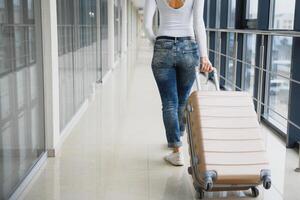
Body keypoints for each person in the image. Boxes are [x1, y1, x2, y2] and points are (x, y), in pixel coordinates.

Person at [144, 0, 213, 166]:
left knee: (169, 103)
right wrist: (204, 56)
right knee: (182, 101)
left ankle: (176, 150)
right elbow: (198, 23)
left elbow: (146, 26)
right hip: (188, 47)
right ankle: (177, 138)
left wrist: (159, 44)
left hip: (163, 45)